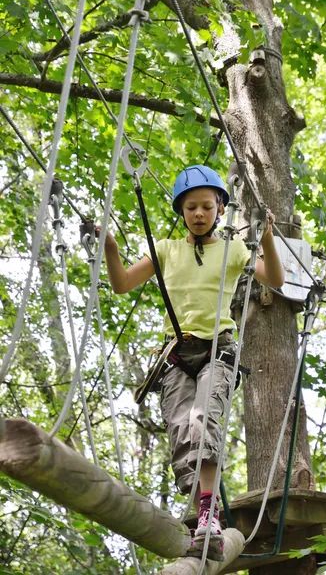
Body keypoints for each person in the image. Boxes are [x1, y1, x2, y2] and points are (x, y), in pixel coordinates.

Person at [98, 165, 284, 561]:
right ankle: (202, 505)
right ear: (181, 212)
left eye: (206, 207)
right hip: (176, 354)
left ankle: (208, 514)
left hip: (219, 348)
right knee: (181, 427)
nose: (198, 214)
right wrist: (111, 249)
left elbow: (276, 280)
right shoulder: (165, 250)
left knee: (203, 418)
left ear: (219, 209)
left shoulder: (234, 250)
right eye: (190, 208)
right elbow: (122, 284)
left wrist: (265, 237)